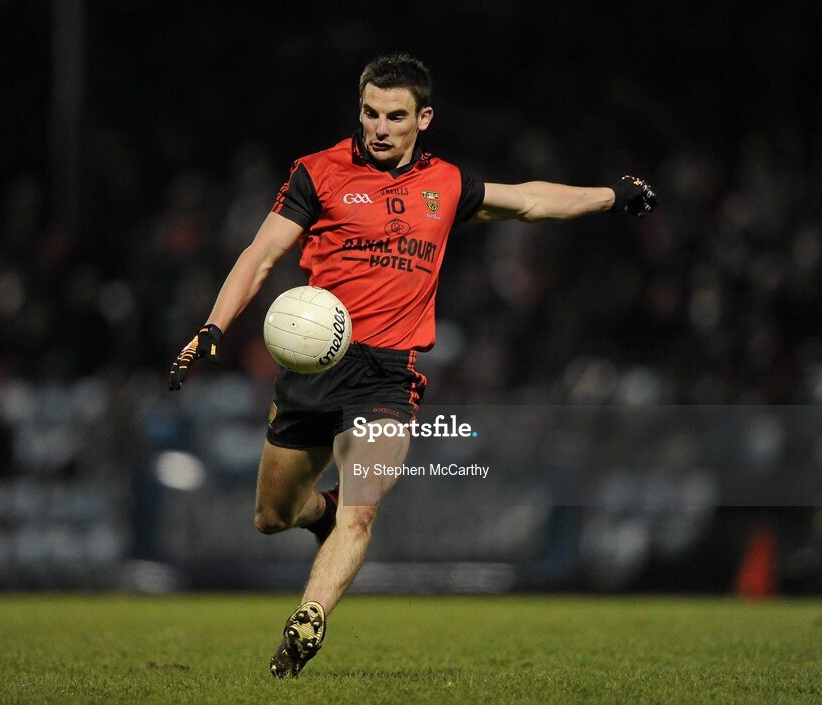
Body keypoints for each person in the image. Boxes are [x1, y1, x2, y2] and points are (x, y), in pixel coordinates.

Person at [168, 53, 657, 677]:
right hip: (312, 370)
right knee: (272, 516)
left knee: (362, 510)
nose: (380, 127)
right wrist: (212, 328)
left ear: (423, 118)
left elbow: (531, 201)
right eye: (370, 113)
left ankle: (308, 619)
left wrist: (612, 197)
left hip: (387, 375)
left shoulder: (445, 184)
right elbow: (260, 253)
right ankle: (321, 515)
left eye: (395, 116)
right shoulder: (318, 173)